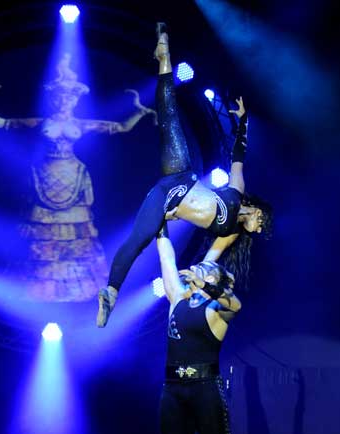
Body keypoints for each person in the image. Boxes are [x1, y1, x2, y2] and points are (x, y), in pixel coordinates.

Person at [96, 23, 273, 326]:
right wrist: (243, 123)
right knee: (169, 118)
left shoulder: (230, 234)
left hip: (167, 204)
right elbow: (237, 158)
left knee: (139, 240)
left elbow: (208, 260)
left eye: (260, 230)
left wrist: (197, 277)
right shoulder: (237, 192)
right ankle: (164, 57)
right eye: (261, 224)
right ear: (258, 211)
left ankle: (111, 293)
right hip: (181, 176)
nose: (257, 230)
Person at [0, 53, 157, 302]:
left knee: (76, 227)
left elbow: (120, 127)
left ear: (75, 100)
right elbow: (4, 124)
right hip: (44, 173)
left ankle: (74, 286)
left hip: (73, 172)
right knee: (42, 225)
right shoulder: (40, 122)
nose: (65, 101)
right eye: (60, 97)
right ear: (53, 99)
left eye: (70, 97)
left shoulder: (82, 124)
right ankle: (39, 284)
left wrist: (140, 112)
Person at [155, 220, 244, 434]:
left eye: (208, 269)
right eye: (200, 268)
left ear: (216, 281)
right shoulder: (178, 298)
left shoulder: (217, 310)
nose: (199, 268)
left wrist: (205, 283)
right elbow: (167, 257)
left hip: (205, 390)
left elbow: (235, 305)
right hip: (173, 391)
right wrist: (159, 222)